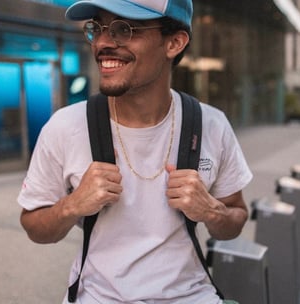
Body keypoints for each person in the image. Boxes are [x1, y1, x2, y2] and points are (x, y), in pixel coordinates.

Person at [18, 0, 252, 303]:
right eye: (97, 28)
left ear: (174, 43)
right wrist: (72, 205)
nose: (102, 42)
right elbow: (34, 226)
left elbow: (235, 218)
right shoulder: (65, 127)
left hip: (192, 296)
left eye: (124, 29)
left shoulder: (211, 124)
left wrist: (210, 210)